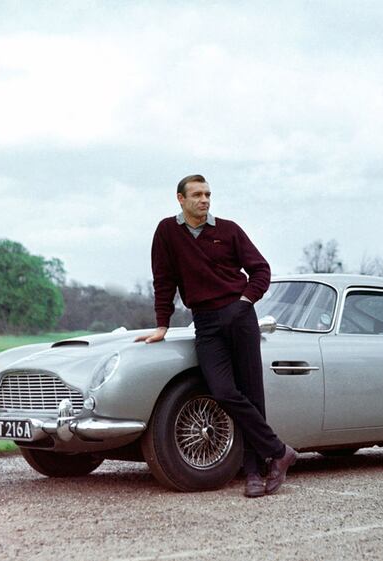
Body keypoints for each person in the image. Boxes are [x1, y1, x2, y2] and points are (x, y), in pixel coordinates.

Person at [135, 174, 297, 497]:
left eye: (208, 194)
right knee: (223, 390)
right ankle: (279, 452)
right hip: (205, 322)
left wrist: (244, 302)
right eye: (197, 194)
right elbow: (163, 279)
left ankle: (253, 472)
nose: (204, 200)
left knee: (252, 393)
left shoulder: (228, 230)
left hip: (239, 317)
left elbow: (261, 270)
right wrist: (162, 325)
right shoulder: (167, 232)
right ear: (180, 199)